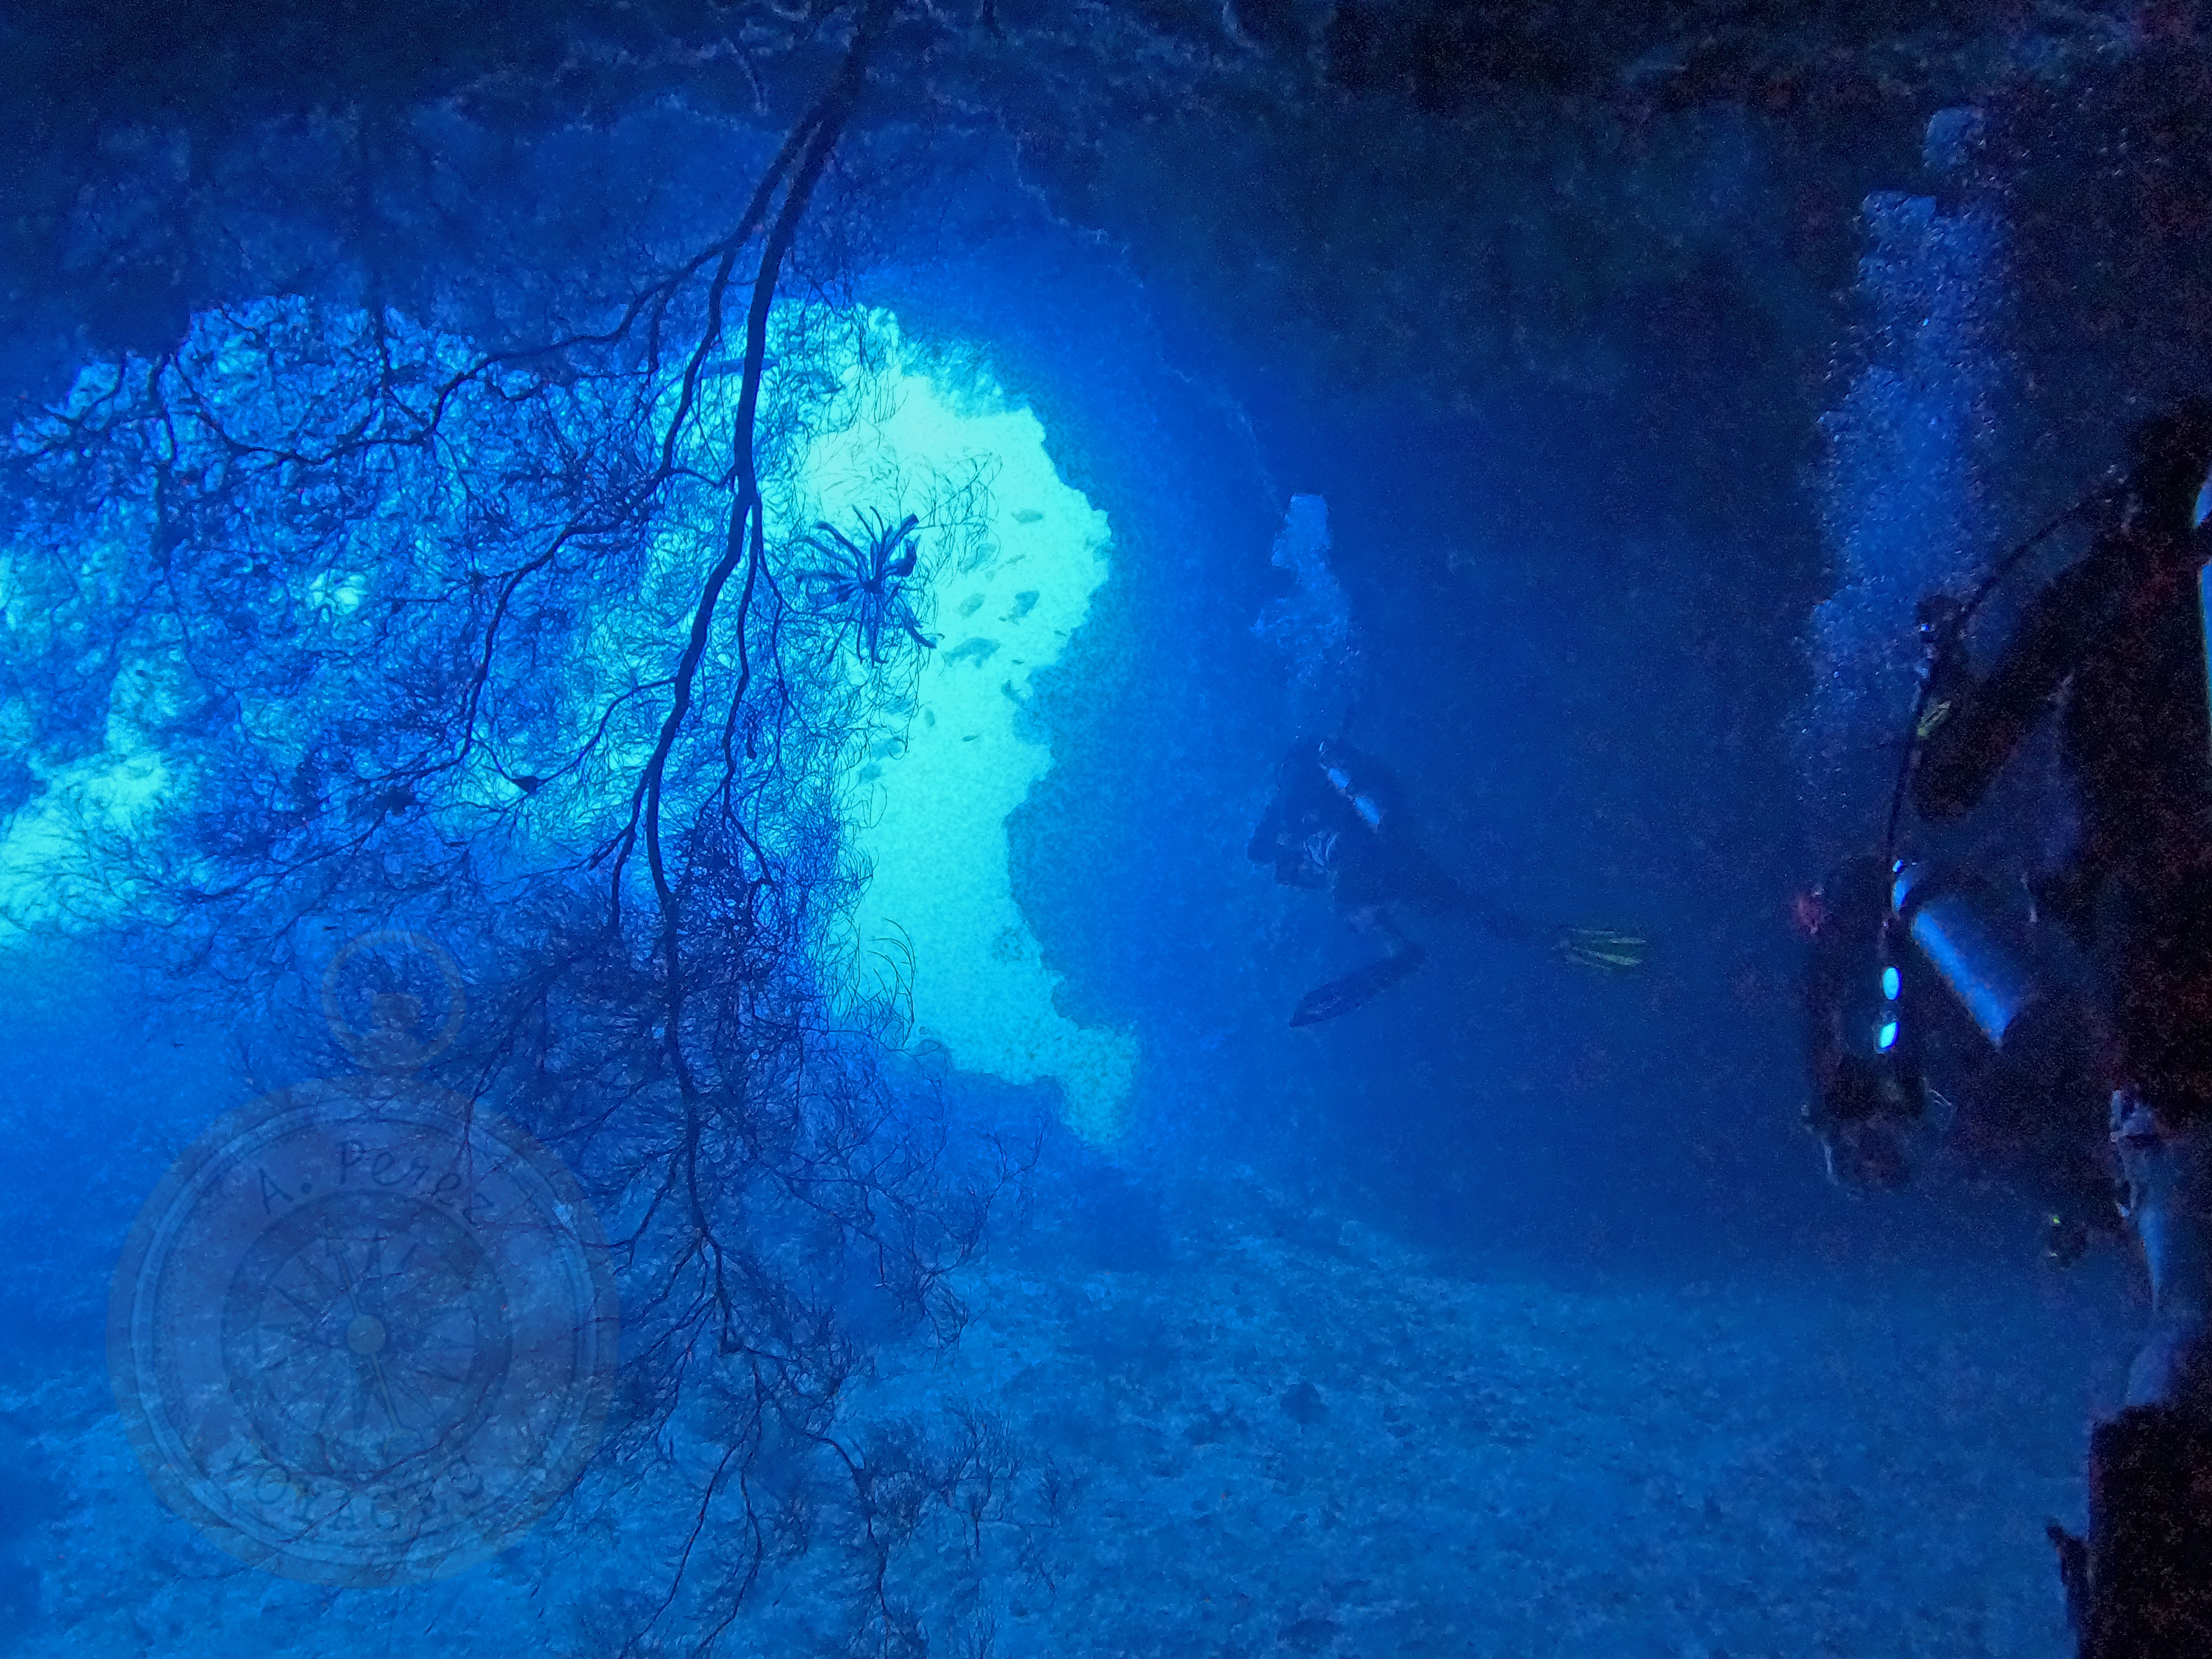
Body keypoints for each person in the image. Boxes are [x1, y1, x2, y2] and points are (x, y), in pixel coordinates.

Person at [1893, 399, 2212, 1658]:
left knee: (2189, 1315)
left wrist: (1945, 693)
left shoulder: (2111, 584)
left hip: (2174, 980)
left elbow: (1948, 779)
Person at [1248, 732, 1646, 1025]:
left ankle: (1400, 952)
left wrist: (1300, 855)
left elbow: (1288, 851)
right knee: (1464, 908)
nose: (1297, 875)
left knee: (1354, 908)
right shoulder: (1317, 799)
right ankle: (1556, 939)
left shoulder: (1293, 810)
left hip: (1374, 856)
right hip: (1399, 852)